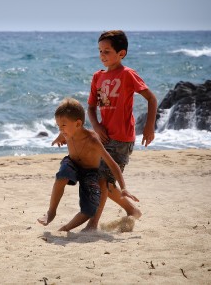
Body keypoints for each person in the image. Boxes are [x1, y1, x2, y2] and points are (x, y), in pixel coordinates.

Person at [54, 30, 157, 231]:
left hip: (122, 138)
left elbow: (151, 99)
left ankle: (92, 224)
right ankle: (132, 211)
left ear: (121, 54)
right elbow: (91, 107)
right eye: (100, 51)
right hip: (103, 137)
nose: (102, 55)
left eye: (107, 51)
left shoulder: (128, 74)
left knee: (103, 180)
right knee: (106, 184)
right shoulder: (97, 77)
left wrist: (149, 127)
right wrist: (97, 126)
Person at [37, 98, 138, 231]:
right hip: (72, 163)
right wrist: (59, 136)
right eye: (58, 126)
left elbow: (113, 164)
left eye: (63, 125)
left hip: (89, 173)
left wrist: (124, 188)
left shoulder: (93, 140)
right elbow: (63, 133)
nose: (61, 129)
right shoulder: (67, 132)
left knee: (89, 210)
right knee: (62, 175)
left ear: (78, 123)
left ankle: (66, 228)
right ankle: (51, 212)